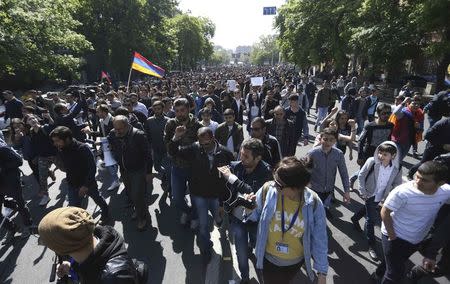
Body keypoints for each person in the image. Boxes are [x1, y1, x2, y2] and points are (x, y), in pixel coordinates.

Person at [245, 157, 328, 284]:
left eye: (279, 184)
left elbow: (320, 239)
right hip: (268, 258)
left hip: (295, 262)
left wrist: (322, 273)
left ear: (295, 187)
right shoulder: (268, 190)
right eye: (274, 179)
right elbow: (254, 216)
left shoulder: (314, 203)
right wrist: (249, 207)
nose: (274, 184)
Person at [377, 161, 450, 284]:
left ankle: (377, 275)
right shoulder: (402, 192)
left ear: (440, 183)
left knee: (394, 262)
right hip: (394, 238)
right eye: (417, 176)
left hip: (416, 240)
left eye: (425, 180)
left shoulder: (445, 191)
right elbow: (385, 212)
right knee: (395, 274)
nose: (417, 181)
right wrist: (392, 236)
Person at [168, 127, 234, 263]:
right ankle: (205, 250)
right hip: (199, 195)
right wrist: (176, 138)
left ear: (213, 139)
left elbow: (228, 181)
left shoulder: (225, 153)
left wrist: (223, 203)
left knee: (219, 219)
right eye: (201, 143)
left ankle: (221, 223)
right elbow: (173, 152)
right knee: (203, 226)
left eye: (207, 143)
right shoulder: (194, 148)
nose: (204, 146)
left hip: (216, 196)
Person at [218, 138, 272, 283]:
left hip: (256, 219)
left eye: (246, 156)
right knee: (241, 253)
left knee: (258, 246)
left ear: (258, 158)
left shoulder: (266, 172)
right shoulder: (236, 166)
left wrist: (232, 178)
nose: (242, 158)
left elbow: (255, 194)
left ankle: (252, 245)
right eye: (241, 154)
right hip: (237, 218)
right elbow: (226, 189)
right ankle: (245, 278)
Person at [38, 207, 140, 283]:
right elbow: (91, 267)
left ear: (60, 249)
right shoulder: (100, 241)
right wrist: (72, 268)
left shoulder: (113, 279)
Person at [353, 142, 403, 261]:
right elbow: (361, 175)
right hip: (369, 194)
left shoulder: (397, 167)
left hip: (381, 197)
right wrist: (362, 190)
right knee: (371, 220)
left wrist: (390, 196)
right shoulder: (372, 161)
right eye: (380, 152)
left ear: (393, 155)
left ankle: (355, 218)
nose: (381, 156)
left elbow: (397, 184)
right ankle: (372, 246)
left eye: (385, 154)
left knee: (369, 209)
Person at [50, 126, 109, 224]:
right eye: (54, 141)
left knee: (97, 198)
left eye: (57, 141)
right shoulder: (61, 150)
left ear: (67, 139)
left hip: (87, 183)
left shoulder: (83, 148)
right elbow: (66, 167)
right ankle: (81, 226)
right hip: (72, 184)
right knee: (74, 208)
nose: (55, 144)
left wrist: (85, 186)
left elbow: (92, 168)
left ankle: (105, 211)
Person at [108, 116, 153, 231]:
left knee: (137, 195)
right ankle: (139, 210)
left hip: (138, 170)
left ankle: (142, 218)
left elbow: (148, 155)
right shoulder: (113, 134)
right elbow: (110, 145)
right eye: (115, 129)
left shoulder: (138, 135)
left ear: (127, 125)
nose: (117, 132)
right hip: (124, 170)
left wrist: (148, 172)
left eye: (120, 129)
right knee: (130, 193)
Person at [164, 98, 202, 225]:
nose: (180, 113)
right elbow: (168, 148)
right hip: (177, 167)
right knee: (177, 199)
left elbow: (203, 147)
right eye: (177, 111)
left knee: (195, 197)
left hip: (194, 168)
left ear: (189, 109)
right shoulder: (170, 124)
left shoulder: (197, 125)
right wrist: (176, 137)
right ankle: (188, 212)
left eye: (182, 110)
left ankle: (195, 217)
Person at [307, 127, 351, 217]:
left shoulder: (338, 154)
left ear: (335, 141)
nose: (328, 142)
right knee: (313, 213)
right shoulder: (312, 153)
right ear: (320, 139)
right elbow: (305, 171)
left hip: (329, 190)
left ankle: (324, 211)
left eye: (331, 140)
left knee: (322, 209)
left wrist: (346, 191)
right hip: (314, 189)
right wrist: (306, 184)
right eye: (325, 139)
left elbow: (344, 173)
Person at [350, 103, 394, 189]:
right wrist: (360, 156)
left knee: (374, 172)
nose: (387, 115)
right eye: (384, 113)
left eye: (388, 113)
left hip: (382, 154)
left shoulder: (391, 125)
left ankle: (367, 189)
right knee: (364, 171)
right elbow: (361, 141)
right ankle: (353, 181)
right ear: (378, 114)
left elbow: (389, 140)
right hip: (368, 153)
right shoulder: (370, 126)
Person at [0, 137, 33, 238]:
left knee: (21, 204)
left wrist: (2, 168)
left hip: (10, 181)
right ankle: (12, 228)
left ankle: (29, 226)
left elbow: (19, 161)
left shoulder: (3, 148)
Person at [144, 101, 170, 193]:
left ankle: (168, 183)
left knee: (167, 167)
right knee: (157, 167)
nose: (157, 110)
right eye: (155, 109)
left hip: (166, 149)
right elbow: (146, 134)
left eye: (159, 108)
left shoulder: (168, 120)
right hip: (155, 148)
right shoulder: (149, 120)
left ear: (163, 109)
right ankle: (165, 176)